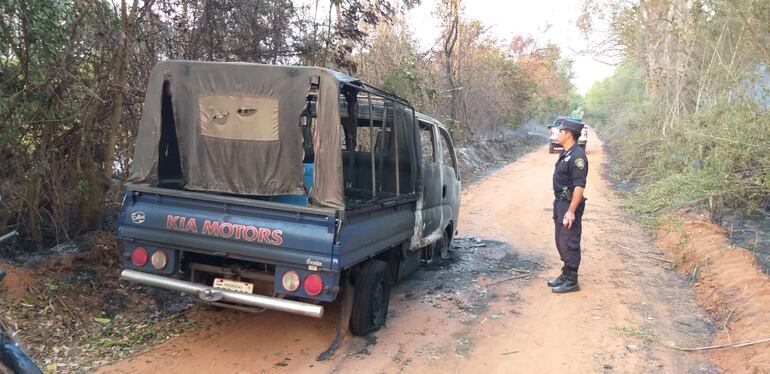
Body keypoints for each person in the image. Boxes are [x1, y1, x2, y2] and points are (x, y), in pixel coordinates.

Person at [547, 118, 588, 293]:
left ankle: (572, 280)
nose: (558, 133)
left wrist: (571, 211)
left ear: (569, 134)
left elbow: (579, 186)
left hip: (569, 205)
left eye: (561, 131)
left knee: (569, 240)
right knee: (561, 240)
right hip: (561, 202)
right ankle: (565, 274)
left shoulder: (578, 157)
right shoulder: (566, 153)